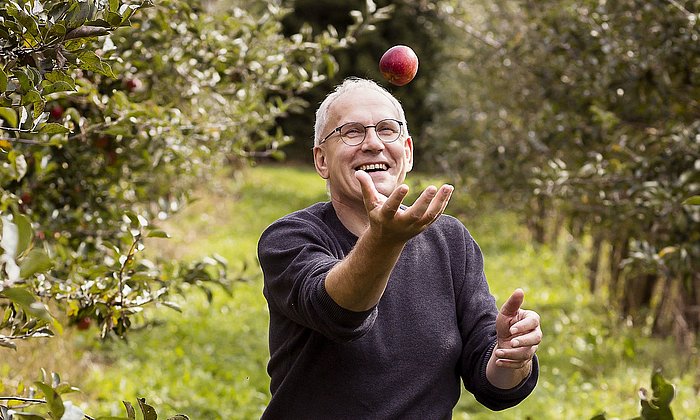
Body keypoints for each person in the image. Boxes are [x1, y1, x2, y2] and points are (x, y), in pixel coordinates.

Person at [257, 77, 542, 419]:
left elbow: (490, 380)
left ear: (407, 152)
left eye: (387, 130)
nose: (373, 144)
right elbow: (339, 314)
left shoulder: (451, 241)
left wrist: (512, 357)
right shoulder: (290, 238)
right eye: (351, 132)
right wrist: (385, 240)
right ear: (321, 160)